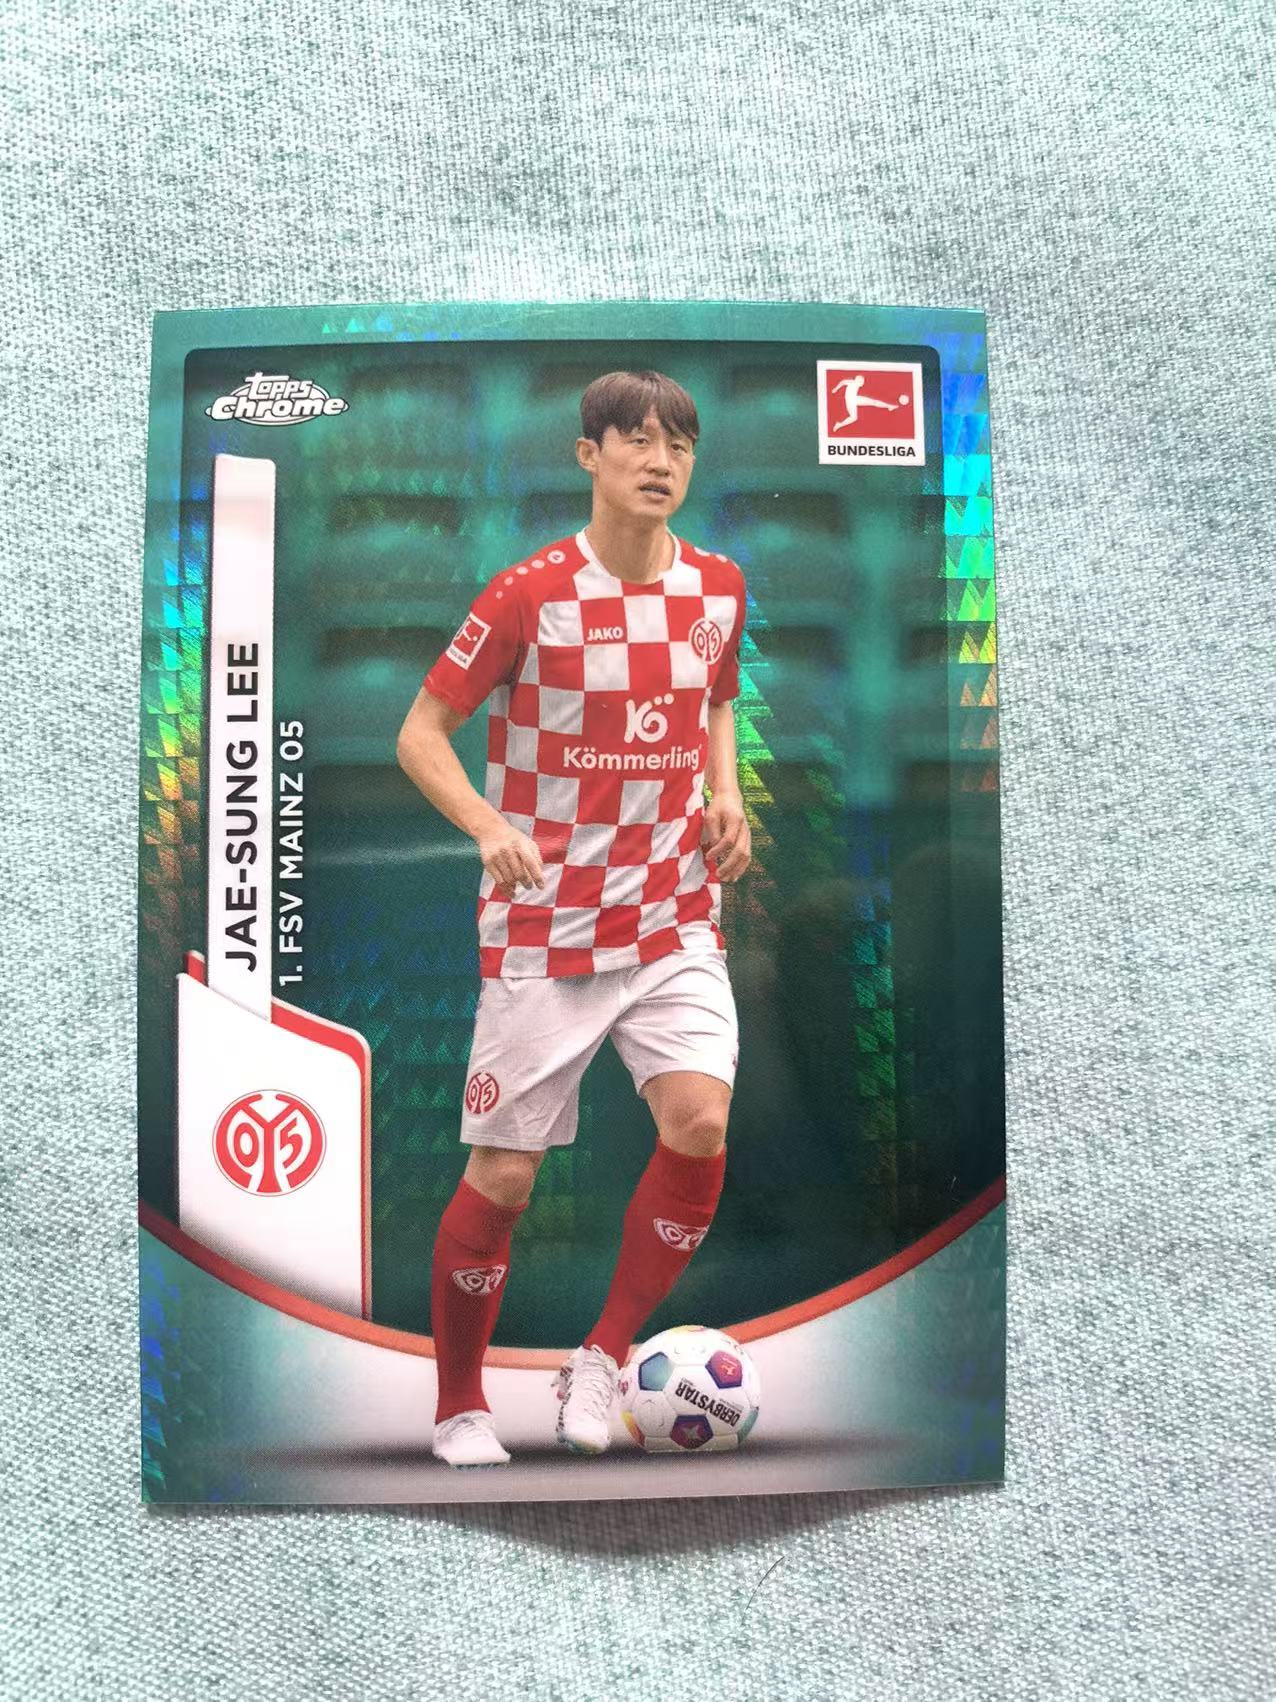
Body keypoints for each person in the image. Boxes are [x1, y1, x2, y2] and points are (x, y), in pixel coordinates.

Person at [396, 369, 751, 1467]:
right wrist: (486, 826)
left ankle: (602, 1355)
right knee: (504, 1180)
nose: (661, 461)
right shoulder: (529, 594)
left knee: (699, 1121)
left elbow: (716, 699)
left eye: (679, 444)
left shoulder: (720, 586)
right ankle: (460, 1405)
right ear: (588, 454)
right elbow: (419, 734)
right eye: (637, 440)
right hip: (546, 924)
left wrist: (728, 792)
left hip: (674, 912)